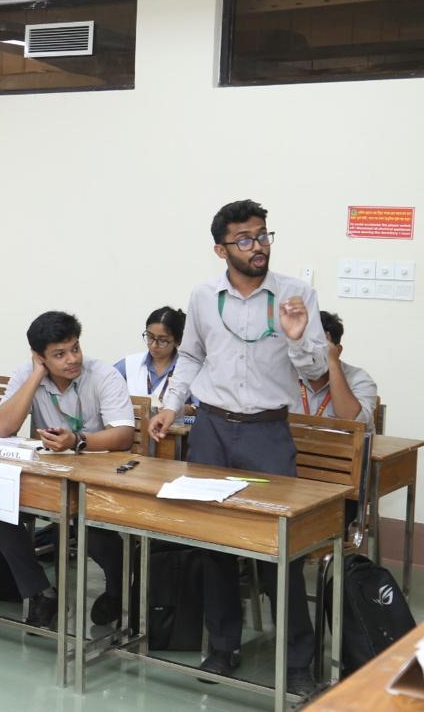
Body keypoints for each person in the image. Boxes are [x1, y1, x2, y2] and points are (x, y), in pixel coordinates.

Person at [150, 199, 327, 698]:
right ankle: (223, 644)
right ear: (221, 249)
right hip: (211, 429)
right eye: (245, 239)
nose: (258, 246)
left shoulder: (296, 295)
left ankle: (297, 660)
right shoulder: (203, 296)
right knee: (214, 544)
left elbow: (315, 371)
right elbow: (190, 356)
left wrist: (297, 339)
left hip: (268, 433)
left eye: (263, 235)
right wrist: (170, 406)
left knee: (281, 550)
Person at [0, 311, 136, 628]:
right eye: (59, 354)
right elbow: (2, 427)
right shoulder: (27, 374)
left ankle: (118, 589)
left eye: (75, 348)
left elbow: (124, 435)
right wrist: (35, 376)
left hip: (98, 477)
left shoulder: (103, 375)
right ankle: (41, 592)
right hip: (50, 477)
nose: (72, 359)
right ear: (39, 357)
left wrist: (78, 441)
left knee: (93, 531)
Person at [291, 311, 378, 425]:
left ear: (338, 350)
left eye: (318, 348)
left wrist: (333, 362)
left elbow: (352, 423)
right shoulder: (287, 373)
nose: (310, 354)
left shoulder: (359, 379)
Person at [114, 306, 186, 406]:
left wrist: (185, 409)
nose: (153, 345)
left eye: (162, 340)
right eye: (150, 337)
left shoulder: (187, 369)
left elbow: (199, 407)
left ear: (177, 341)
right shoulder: (130, 364)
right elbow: (103, 383)